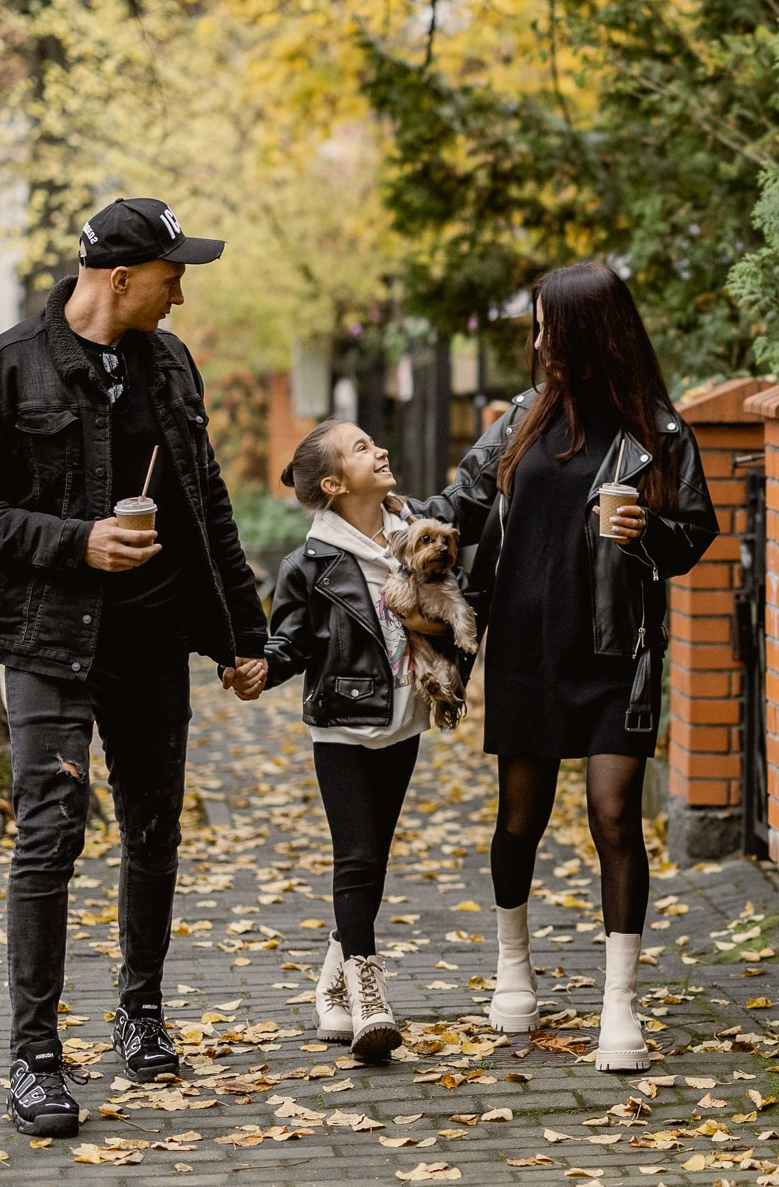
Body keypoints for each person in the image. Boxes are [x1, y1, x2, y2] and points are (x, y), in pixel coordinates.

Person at [0, 197, 271, 1139]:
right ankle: (35, 1060)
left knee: (155, 827)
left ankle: (141, 1012)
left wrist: (247, 634)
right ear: (121, 278)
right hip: (48, 639)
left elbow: (204, 501)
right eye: (173, 277)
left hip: (153, 641)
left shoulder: (170, 364)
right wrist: (74, 542)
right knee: (49, 834)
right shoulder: (3, 371)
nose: (182, 295)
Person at [418, 262, 718, 1072]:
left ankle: (619, 1005)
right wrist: (386, 513)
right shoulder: (521, 418)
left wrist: (646, 533)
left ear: (587, 330)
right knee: (521, 816)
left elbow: (695, 532)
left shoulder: (658, 430)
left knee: (614, 815)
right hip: (524, 648)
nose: (537, 338)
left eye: (548, 324)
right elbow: (462, 501)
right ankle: (514, 965)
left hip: (616, 652)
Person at [247, 420, 445, 1062]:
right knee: (356, 856)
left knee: (375, 857)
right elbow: (291, 641)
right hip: (341, 723)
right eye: (362, 449)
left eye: (373, 442)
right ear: (334, 484)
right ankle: (368, 993)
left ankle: (330, 983)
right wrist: (260, 669)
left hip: (404, 719)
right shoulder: (309, 563)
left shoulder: (414, 534)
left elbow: (449, 612)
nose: (381, 449)